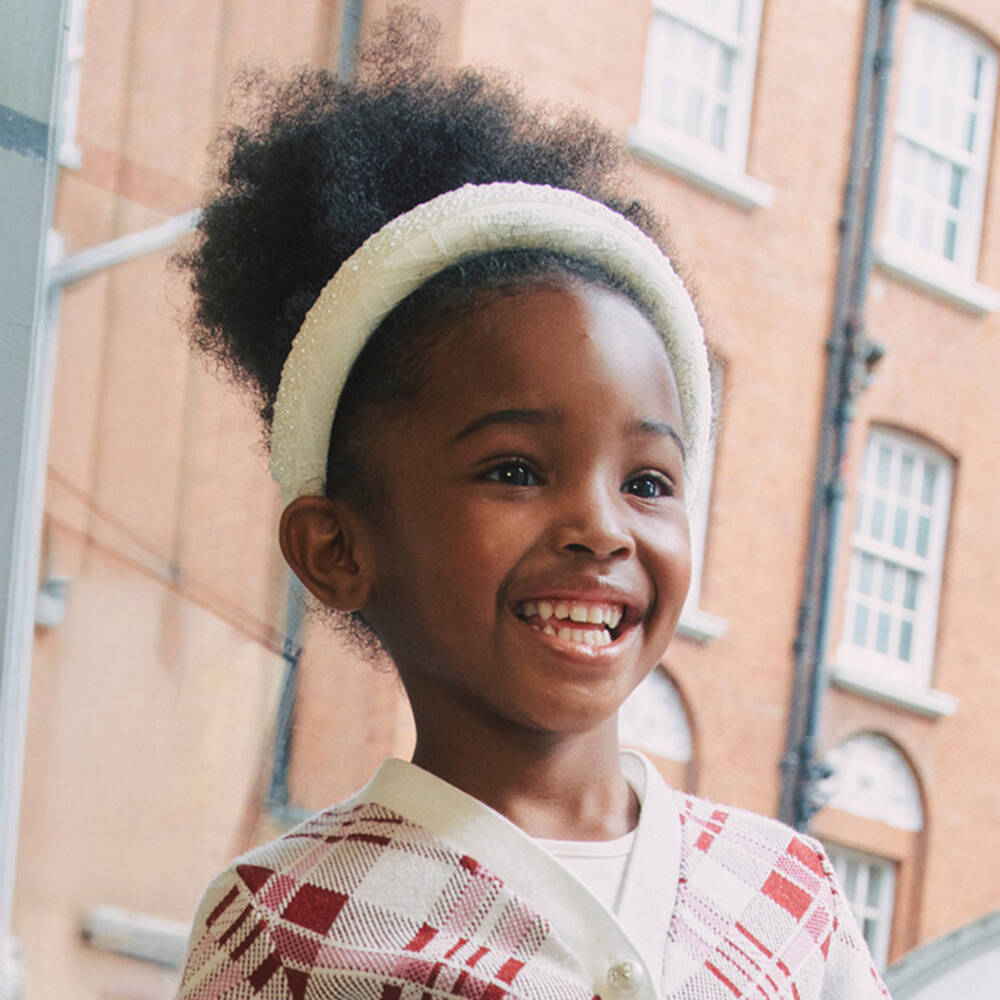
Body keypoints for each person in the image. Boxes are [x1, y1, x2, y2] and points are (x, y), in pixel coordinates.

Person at [173, 11, 889, 999]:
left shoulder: (789, 896)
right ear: (336, 548)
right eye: (515, 468)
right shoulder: (279, 926)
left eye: (648, 481)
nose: (601, 527)